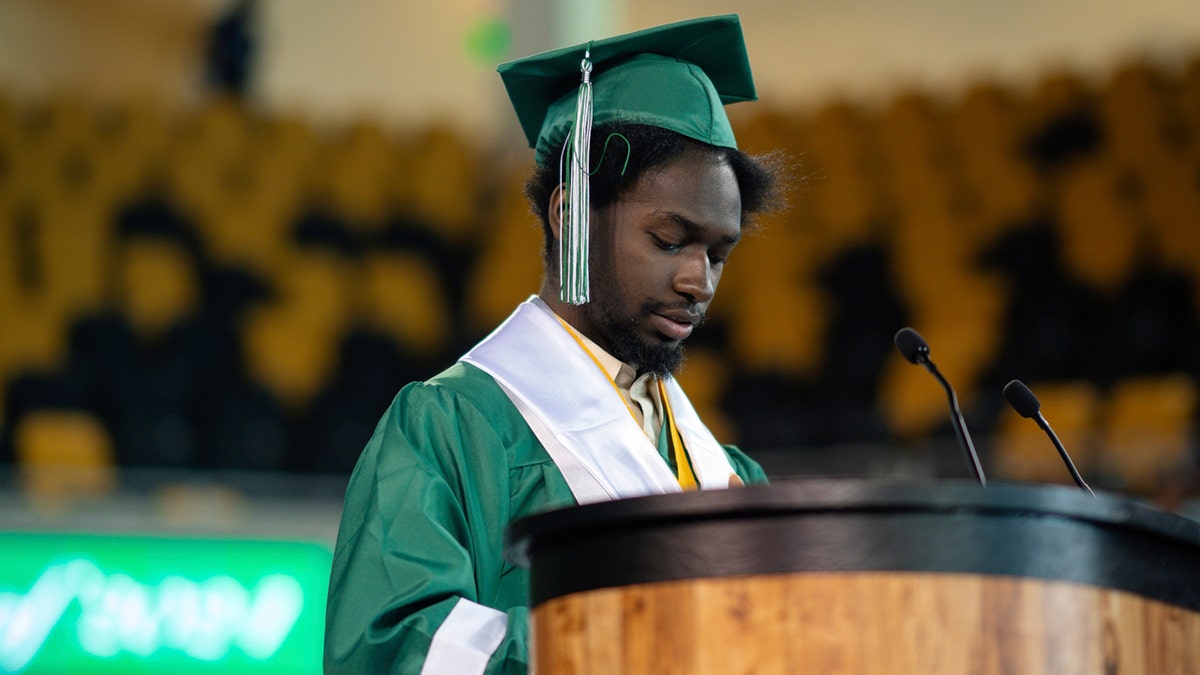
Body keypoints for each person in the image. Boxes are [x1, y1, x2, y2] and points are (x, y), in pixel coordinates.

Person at [324, 14, 784, 674]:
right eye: (669, 239)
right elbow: (393, 645)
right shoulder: (450, 430)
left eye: (719, 252)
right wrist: (630, 639)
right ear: (570, 213)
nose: (697, 279)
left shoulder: (727, 474)